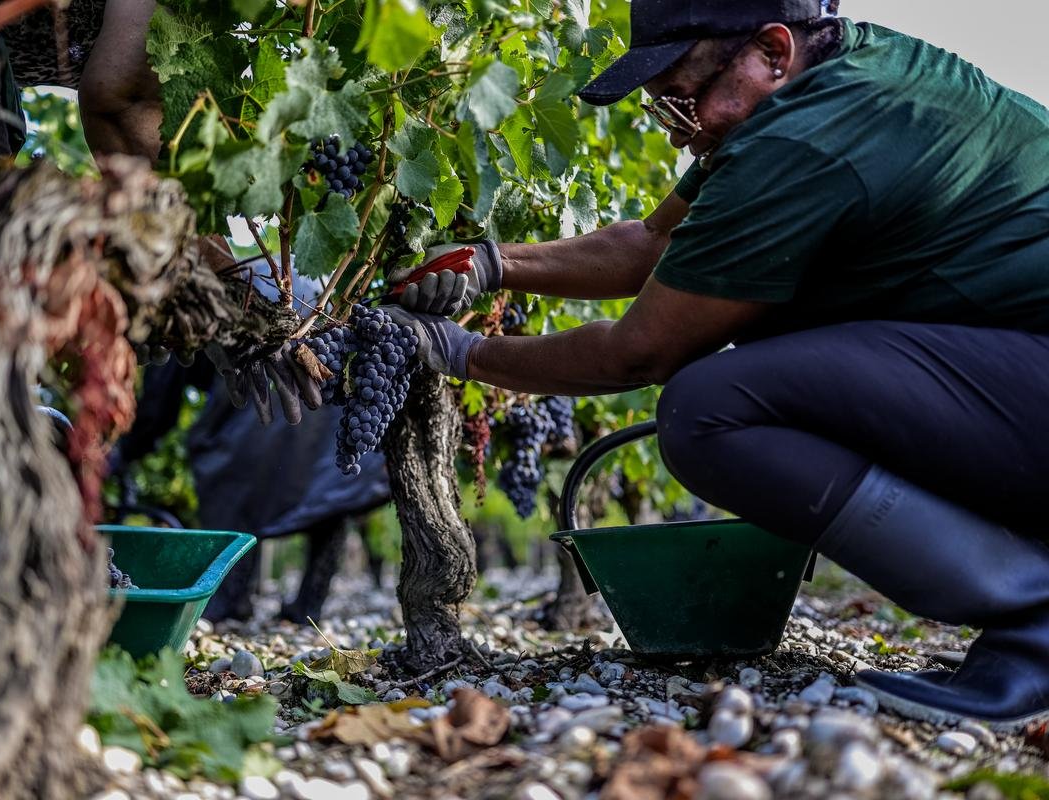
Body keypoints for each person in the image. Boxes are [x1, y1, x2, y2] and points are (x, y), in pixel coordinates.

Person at [380, 0, 1049, 730]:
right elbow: (654, 242)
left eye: (680, 97)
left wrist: (462, 353)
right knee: (774, 345)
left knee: (711, 408)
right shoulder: (836, 80)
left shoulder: (804, 143)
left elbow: (640, 352)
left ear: (771, 51)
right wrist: (492, 263)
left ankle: (1037, 621)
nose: (675, 131)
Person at [109, 266, 391, 623]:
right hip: (323, 369)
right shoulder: (283, 276)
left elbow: (158, 403)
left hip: (272, 379)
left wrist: (129, 451)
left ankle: (231, 597)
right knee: (327, 489)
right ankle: (309, 603)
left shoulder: (176, 306)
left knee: (227, 473)